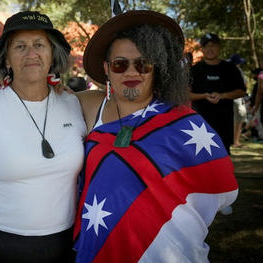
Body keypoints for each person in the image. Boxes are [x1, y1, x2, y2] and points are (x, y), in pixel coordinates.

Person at [73, 10, 238, 262]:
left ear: (156, 68)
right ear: (107, 68)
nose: (131, 72)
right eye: (120, 64)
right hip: (103, 248)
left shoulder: (183, 123)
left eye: (143, 64)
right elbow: (39, 99)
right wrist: (3, 82)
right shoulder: (89, 106)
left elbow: (220, 185)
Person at [0, 11, 86, 263]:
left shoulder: (73, 103)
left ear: (52, 54)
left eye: (39, 45)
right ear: (6, 58)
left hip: (65, 246)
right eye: (20, 46)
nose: (31, 54)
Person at [190, 33, 246, 154]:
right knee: (200, 161)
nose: (210, 49)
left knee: (223, 158)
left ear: (219, 47)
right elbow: (185, 94)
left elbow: (241, 91)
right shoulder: (194, 70)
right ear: (202, 49)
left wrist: (223, 96)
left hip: (224, 124)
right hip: (199, 126)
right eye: (206, 46)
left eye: (213, 45)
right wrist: (204, 96)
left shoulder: (230, 69)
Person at [227, 54, 247, 147]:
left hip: (231, 98)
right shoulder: (238, 71)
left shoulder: (228, 70)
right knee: (238, 120)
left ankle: (234, 140)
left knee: (234, 120)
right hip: (237, 99)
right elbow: (244, 86)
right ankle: (236, 141)